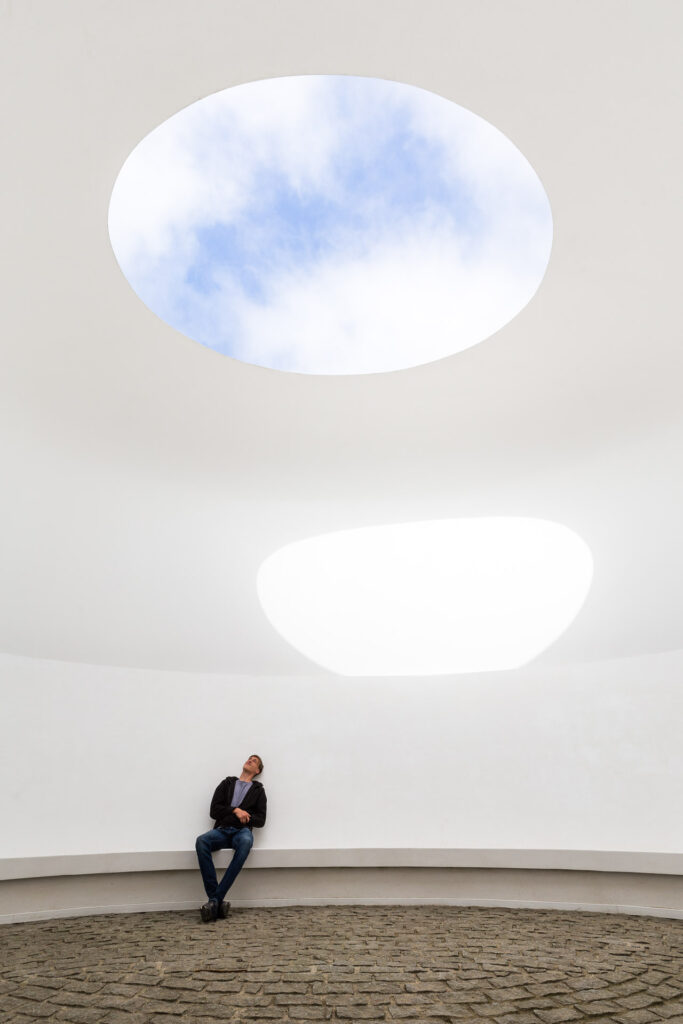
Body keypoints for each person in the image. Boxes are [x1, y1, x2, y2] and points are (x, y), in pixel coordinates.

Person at [194, 753, 267, 922]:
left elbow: (261, 820)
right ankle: (217, 902)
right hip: (222, 830)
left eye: (254, 761)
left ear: (257, 770)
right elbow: (214, 810)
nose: (250, 760)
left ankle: (214, 901)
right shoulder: (227, 783)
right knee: (202, 841)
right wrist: (235, 810)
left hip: (242, 832)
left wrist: (246, 815)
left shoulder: (258, 790)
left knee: (247, 841)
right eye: (249, 758)